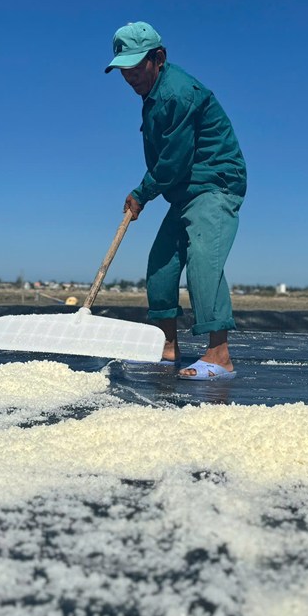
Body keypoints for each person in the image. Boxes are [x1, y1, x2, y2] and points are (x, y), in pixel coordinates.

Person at [105, 21, 247, 381]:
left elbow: (173, 160)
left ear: (159, 58)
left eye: (136, 67)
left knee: (203, 261)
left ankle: (220, 356)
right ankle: (168, 347)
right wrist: (147, 190)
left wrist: (141, 193)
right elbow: (169, 162)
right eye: (124, 69)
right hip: (185, 189)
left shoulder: (176, 93)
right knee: (161, 264)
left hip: (214, 183)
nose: (130, 76)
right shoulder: (153, 95)